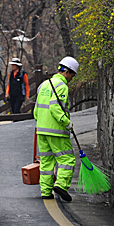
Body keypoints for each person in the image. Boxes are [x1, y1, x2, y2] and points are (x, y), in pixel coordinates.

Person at [33, 56, 78, 201]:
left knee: (46, 162)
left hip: (42, 129)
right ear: (67, 72)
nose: (71, 79)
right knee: (67, 159)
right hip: (56, 131)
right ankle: (61, 185)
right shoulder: (61, 86)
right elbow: (54, 107)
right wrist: (66, 122)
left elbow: (35, 111)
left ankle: (46, 192)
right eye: (72, 75)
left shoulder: (44, 85)